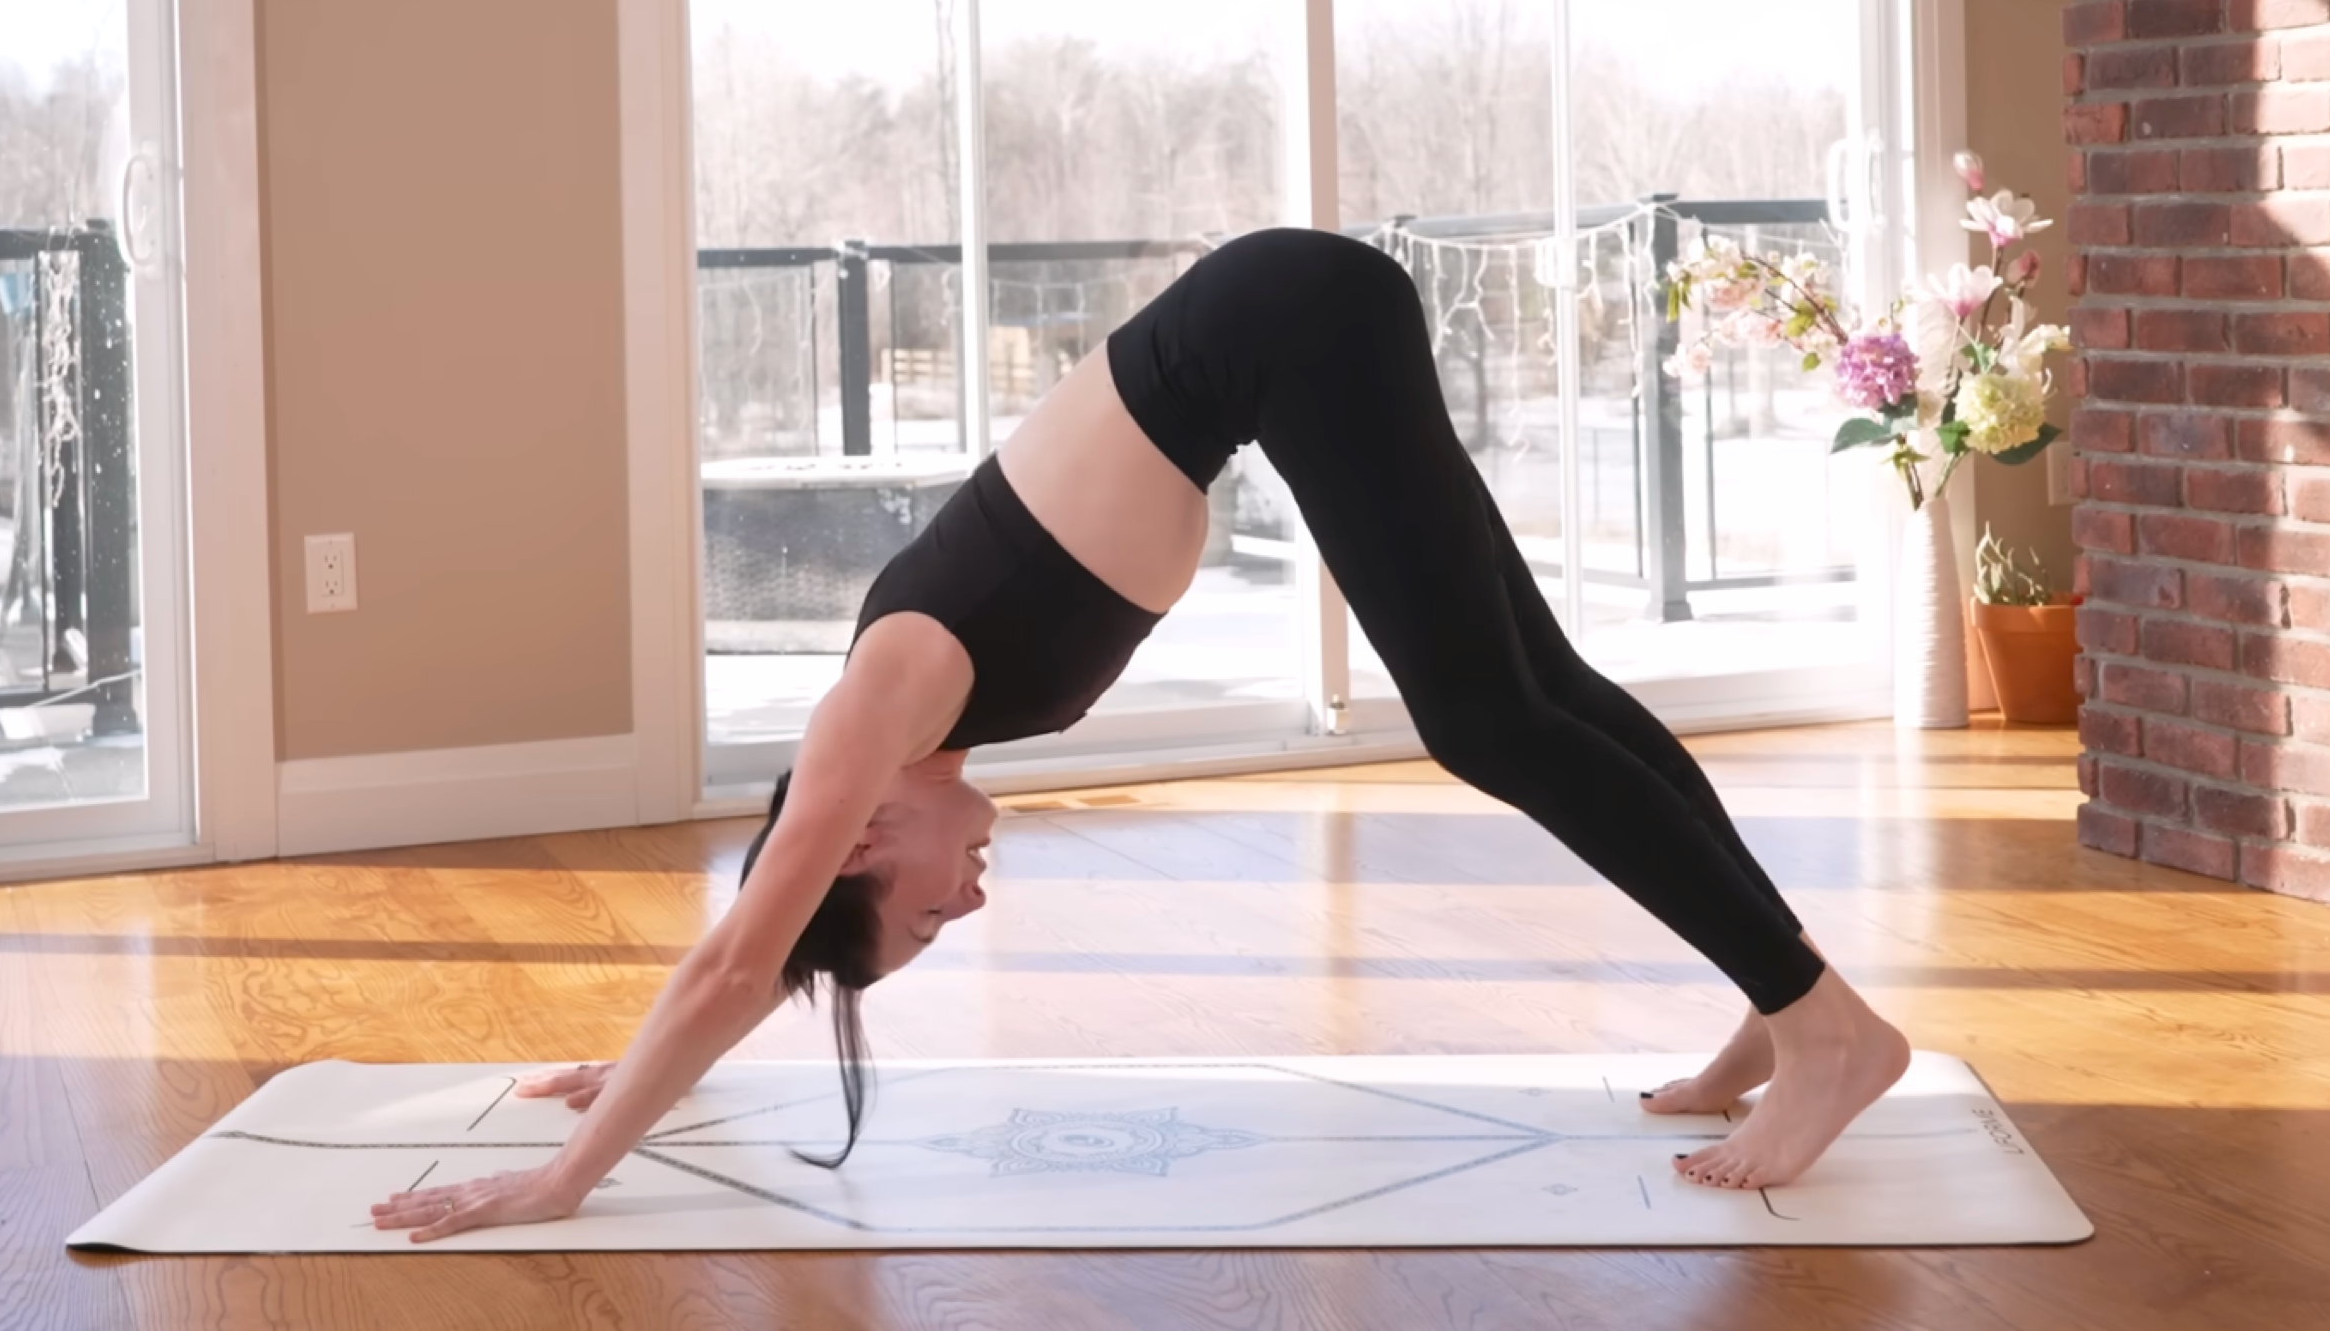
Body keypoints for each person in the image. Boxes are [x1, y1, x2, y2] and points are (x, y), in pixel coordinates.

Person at [371, 228, 1909, 1242]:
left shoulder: (882, 699)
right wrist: (640, 1065)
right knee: (1544, 690)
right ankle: (1774, 1005)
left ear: (858, 840)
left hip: (1287, 325)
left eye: (925, 912)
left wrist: (569, 1181)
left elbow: (740, 950)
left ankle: (1828, 1028)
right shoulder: (907, 745)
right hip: (1296, 321)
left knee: (1486, 716)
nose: (967, 903)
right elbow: (758, 956)